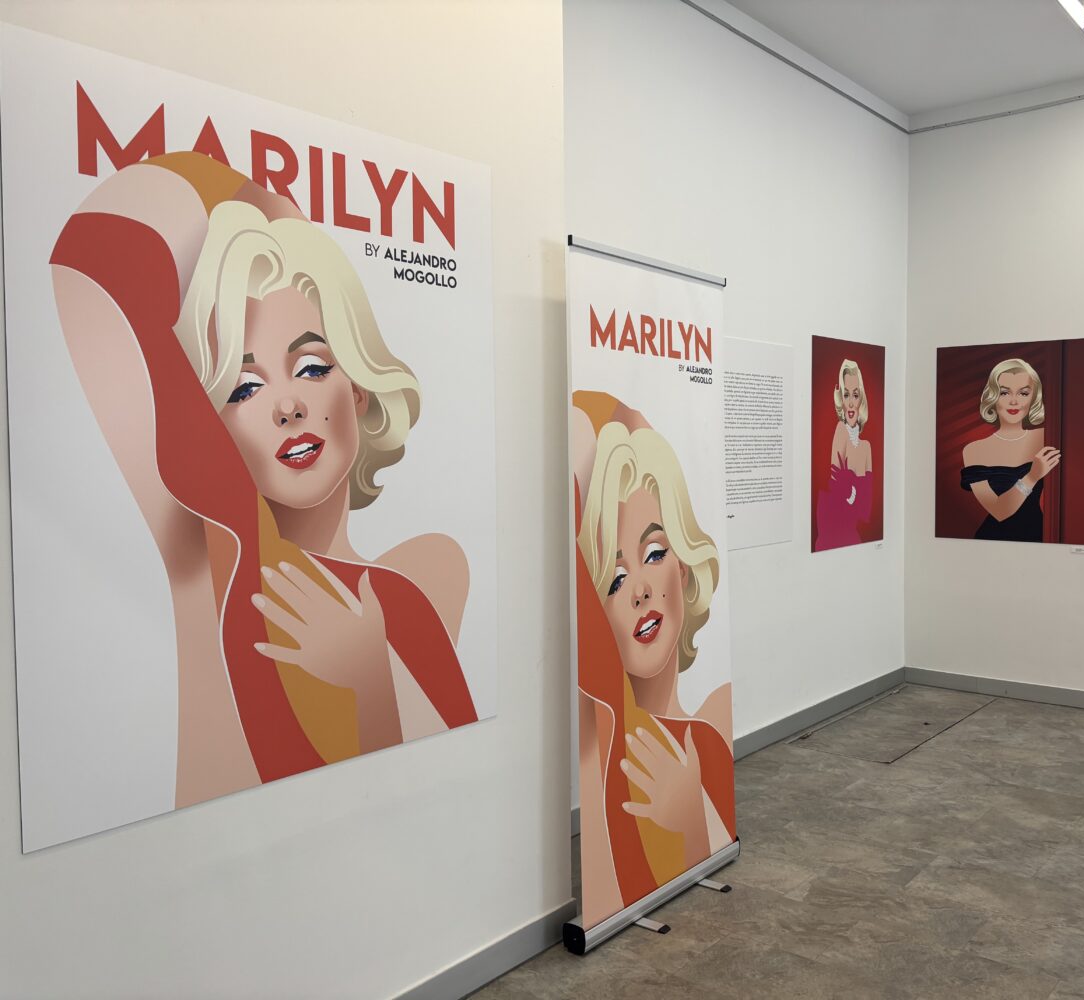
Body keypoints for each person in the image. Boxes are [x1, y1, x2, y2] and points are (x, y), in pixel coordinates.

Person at [49, 152, 476, 808]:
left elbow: (445, 802)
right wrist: (258, 211)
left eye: (311, 367)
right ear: (208, 421)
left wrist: (369, 678)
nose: (287, 406)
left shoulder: (410, 595)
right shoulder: (208, 565)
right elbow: (94, 246)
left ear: (358, 387)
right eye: (243, 387)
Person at [570, 394, 735, 927]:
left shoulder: (708, 740)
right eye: (615, 579)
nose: (640, 590)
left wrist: (692, 818)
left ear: (683, 569)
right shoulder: (602, 746)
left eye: (655, 553)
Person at [960, 358, 1061, 543]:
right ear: (993, 396)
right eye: (1004, 393)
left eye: (1023, 393)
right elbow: (1000, 511)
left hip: (1038, 537)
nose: (1014, 401)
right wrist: (1032, 476)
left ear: (1034, 398)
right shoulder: (974, 450)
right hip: (991, 540)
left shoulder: (1047, 436)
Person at [814, 358, 874, 550]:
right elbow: (836, 486)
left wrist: (850, 484)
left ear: (861, 399)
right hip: (831, 528)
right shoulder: (840, 430)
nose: (850, 403)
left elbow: (865, 510)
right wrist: (855, 488)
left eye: (855, 395)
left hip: (849, 531)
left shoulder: (866, 447)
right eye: (846, 394)